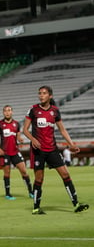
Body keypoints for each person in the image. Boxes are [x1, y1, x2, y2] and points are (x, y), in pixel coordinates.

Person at [23, 85, 89, 214]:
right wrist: (33, 139)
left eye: (44, 93)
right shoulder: (33, 110)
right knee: (39, 179)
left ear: (50, 96)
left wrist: (71, 144)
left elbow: (62, 129)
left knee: (65, 174)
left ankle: (76, 204)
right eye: (39, 93)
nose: (41, 95)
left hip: (52, 149)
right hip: (39, 151)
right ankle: (36, 208)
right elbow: (25, 130)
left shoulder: (55, 111)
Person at [0, 105, 33, 200]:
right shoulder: (0, 124)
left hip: (15, 152)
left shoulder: (16, 124)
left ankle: (31, 192)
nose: (7, 112)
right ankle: (8, 194)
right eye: (5, 111)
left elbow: (18, 135)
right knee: (7, 174)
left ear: (12, 112)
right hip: (5, 152)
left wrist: (19, 139)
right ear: (3, 113)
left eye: (9, 110)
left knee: (24, 171)